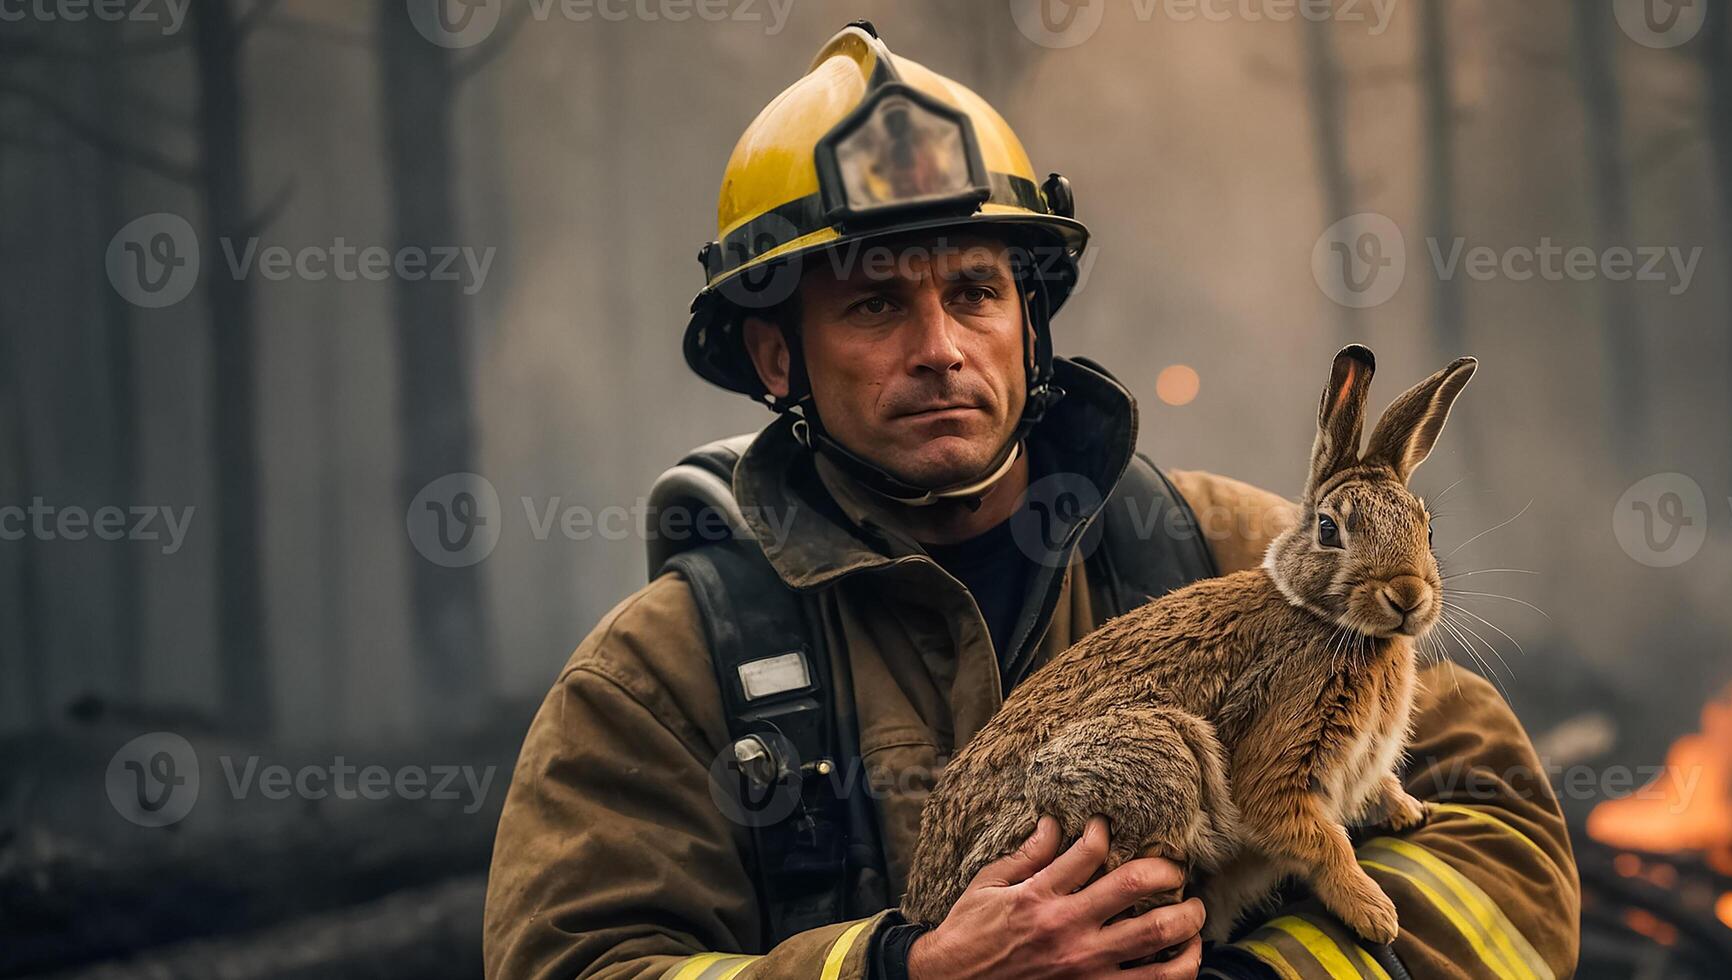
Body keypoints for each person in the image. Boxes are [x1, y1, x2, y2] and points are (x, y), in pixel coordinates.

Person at [482, 22, 1578, 980]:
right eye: (873, 304)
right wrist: (896, 969)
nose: (940, 349)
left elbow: (1507, 854)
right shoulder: (660, 679)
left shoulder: (1235, 552)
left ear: (1030, 319)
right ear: (777, 354)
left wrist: (1255, 976)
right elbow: (573, 960)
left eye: (973, 290)